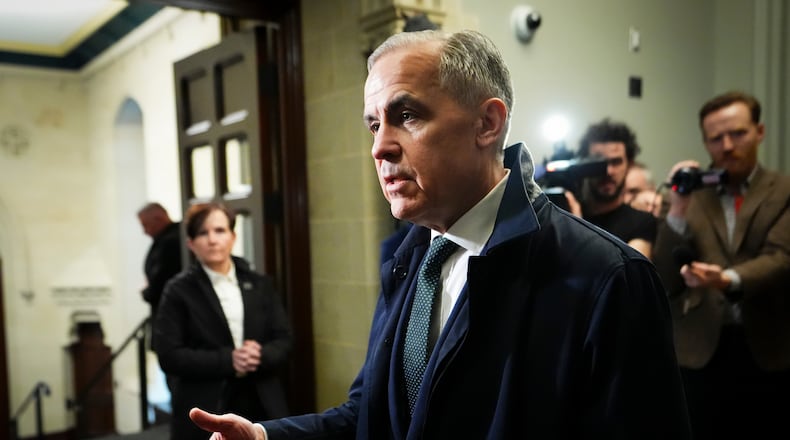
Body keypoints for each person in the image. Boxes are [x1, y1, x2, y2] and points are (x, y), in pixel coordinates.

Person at [189, 29, 690, 439]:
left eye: (406, 116)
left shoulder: (608, 277)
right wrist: (265, 436)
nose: (379, 147)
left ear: (487, 124)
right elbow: (375, 415)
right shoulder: (411, 256)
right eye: (372, 125)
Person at [652, 91, 790, 440]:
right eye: (716, 138)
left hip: (767, 344)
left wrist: (726, 279)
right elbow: (664, 277)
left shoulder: (784, 191)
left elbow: (781, 258)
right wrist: (679, 210)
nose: (727, 146)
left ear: (759, 132)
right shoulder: (686, 193)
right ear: (705, 142)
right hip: (698, 349)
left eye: (738, 134)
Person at [154, 202, 293, 440]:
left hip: (260, 398)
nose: (212, 239)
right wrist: (229, 359)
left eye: (219, 230)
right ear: (190, 244)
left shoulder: (259, 284)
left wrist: (260, 354)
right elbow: (169, 355)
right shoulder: (178, 290)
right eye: (202, 233)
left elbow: (284, 339)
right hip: (205, 400)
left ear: (233, 236)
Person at [573, 119, 658, 259]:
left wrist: (576, 231)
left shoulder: (641, 222)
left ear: (629, 165)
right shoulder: (570, 212)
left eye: (616, 162)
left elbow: (631, 276)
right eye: (598, 163)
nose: (609, 171)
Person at [138, 202, 183, 320]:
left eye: (145, 225)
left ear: (158, 219)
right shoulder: (169, 238)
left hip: (171, 311)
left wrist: (147, 292)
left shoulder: (171, 242)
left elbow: (163, 279)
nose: (145, 231)